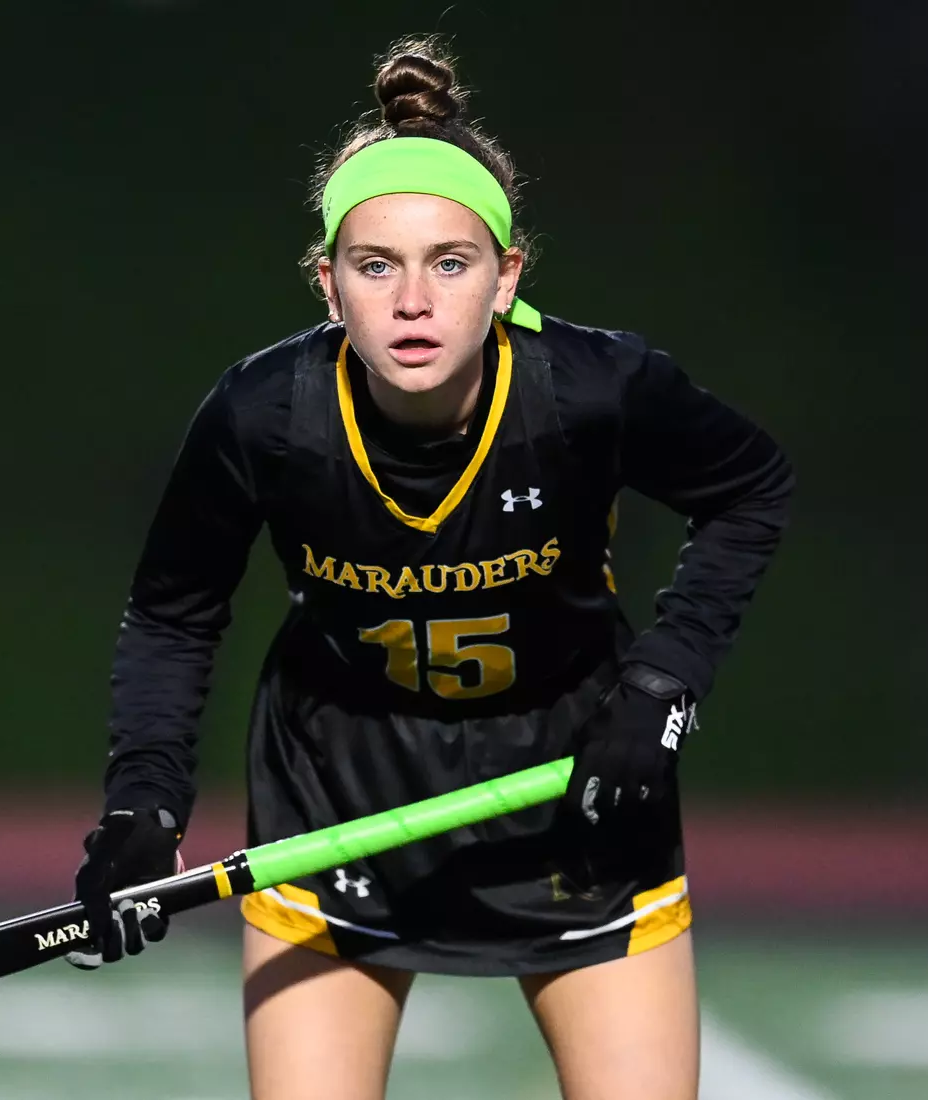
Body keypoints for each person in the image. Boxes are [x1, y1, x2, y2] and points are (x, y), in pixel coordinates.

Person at [67, 37, 793, 1100]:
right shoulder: (264, 416)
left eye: (451, 262)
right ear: (327, 284)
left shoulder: (596, 388)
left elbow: (751, 486)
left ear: (507, 278)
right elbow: (175, 613)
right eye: (376, 265)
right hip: (339, 793)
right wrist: (145, 806)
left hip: (573, 793)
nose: (414, 300)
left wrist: (662, 682)